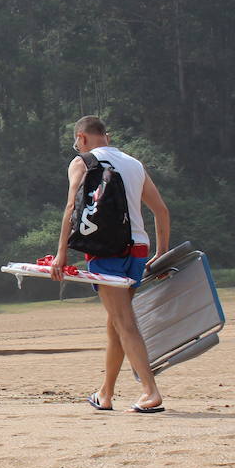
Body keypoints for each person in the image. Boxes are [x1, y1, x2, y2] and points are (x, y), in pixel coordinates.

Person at [50, 116, 170, 413]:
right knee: (115, 323)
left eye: (77, 141)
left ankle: (150, 391)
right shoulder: (134, 164)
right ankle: (105, 393)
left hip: (107, 252)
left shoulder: (82, 161)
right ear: (108, 135)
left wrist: (61, 254)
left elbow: (72, 207)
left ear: (82, 137)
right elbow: (162, 212)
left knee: (124, 323)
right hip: (138, 250)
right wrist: (161, 254)